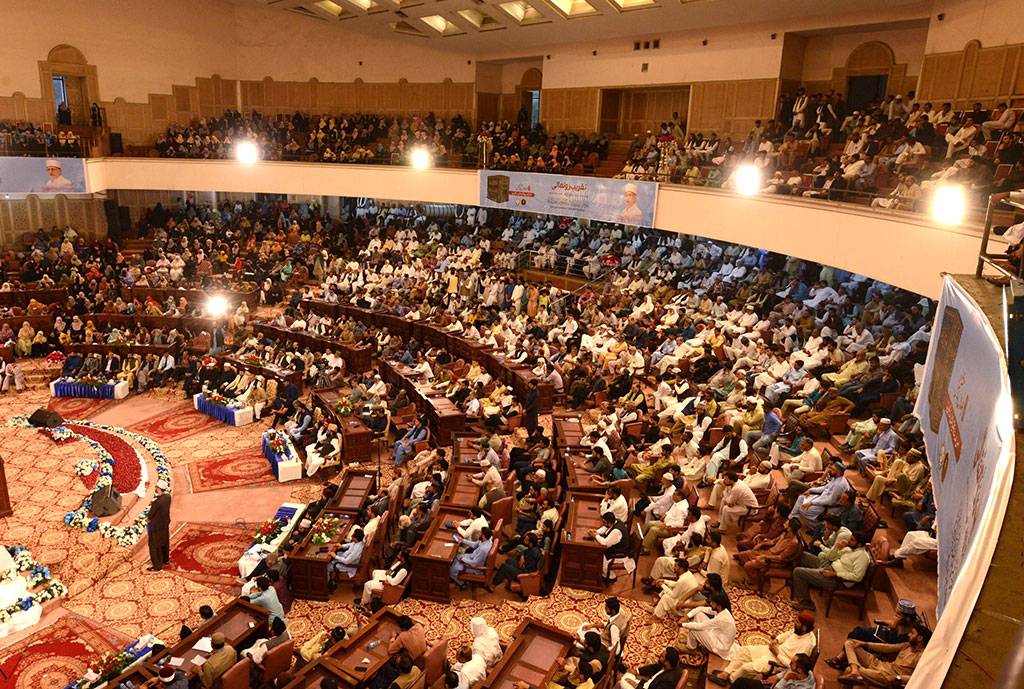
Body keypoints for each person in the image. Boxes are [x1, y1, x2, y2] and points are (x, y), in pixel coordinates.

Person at [709, 611, 816, 684]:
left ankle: (731, 680)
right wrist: (776, 640)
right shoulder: (800, 630)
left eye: (797, 622)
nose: (794, 623)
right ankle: (726, 673)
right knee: (744, 651)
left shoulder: (807, 645)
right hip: (774, 652)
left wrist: (777, 653)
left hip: (777, 663)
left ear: (804, 627)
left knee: (747, 667)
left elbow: (793, 667)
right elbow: (788, 634)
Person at [790, 531, 870, 612]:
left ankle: (807, 603)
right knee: (802, 555)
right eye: (850, 538)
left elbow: (857, 577)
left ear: (859, 544)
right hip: (829, 566)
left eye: (852, 540)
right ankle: (802, 583)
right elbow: (830, 557)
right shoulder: (849, 549)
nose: (848, 541)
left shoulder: (862, 557)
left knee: (798, 572)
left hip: (836, 579)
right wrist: (837, 546)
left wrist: (835, 574)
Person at [834, 624, 930, 686]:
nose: (908, 635)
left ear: (920, 638)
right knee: (850, 643)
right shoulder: (907, 645)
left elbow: (918, 677)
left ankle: (855, 671)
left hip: (886, 676)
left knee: (848, 670)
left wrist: (897, 678)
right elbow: (888, 648)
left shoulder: (922, 657)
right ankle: (855, 670)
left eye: (912, 633)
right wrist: (865, 644)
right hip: (880, 665)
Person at [679, 593, 736, 659]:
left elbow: (700, 626)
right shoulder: (722, 610)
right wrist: (686, 617)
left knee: (694, 629)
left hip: (719, 647)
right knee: (699, 614)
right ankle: (693, 641)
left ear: (719, 606)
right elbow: (700, 609)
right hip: (716, 635)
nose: (710, 604)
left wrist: (683, 624)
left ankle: (691, 648)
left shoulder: (721, 619)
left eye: (713, 603)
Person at [730, 654, 816, 689]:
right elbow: (788, 670)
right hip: (777, 684)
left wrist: (785, 679)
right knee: (741, 682)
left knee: (742, 684)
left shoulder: (803, 688)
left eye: (791, 663)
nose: (789, 665)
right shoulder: (806, 671)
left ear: (799, 670)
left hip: (777, 687)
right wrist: (777, 677)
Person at [616, 646, 683, 689]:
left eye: (662, 656)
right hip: (646, 684)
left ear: (667, 662)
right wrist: (637, 671)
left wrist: (636, 686)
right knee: (624, 677)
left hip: (644, 687)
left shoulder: (668, 681)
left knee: (622, 681)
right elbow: (655, 667)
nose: (660, 656)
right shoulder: (671, 665)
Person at [146, 481, 172, 571]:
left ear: (158, 488)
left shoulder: (157, 502)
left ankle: (157, 565)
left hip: (156, 527)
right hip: (164, 524)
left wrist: (148, 519)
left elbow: (150, 516)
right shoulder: (168, 497)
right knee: (164, 542)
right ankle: (166, 559)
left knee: (154, 546)